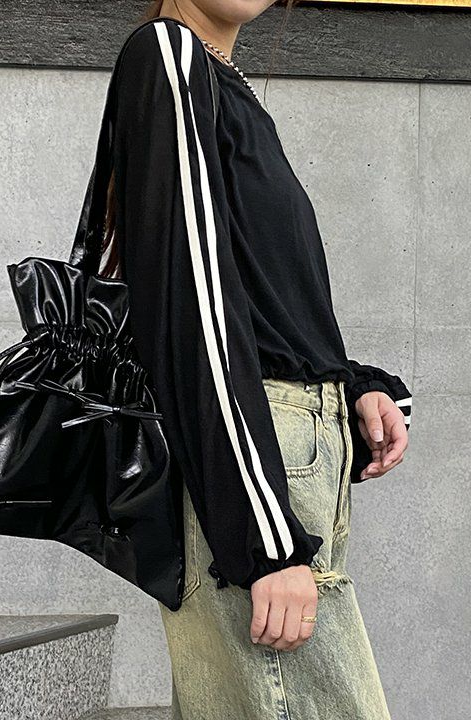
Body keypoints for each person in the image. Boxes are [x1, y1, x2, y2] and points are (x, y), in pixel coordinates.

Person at [106, 1, 413, 718]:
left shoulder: (219, 81)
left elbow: (259, 297)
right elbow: (190, 305)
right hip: (258, 478)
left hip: (280, 465)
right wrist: (266, 542)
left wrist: (354, 387)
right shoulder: (169, 56)